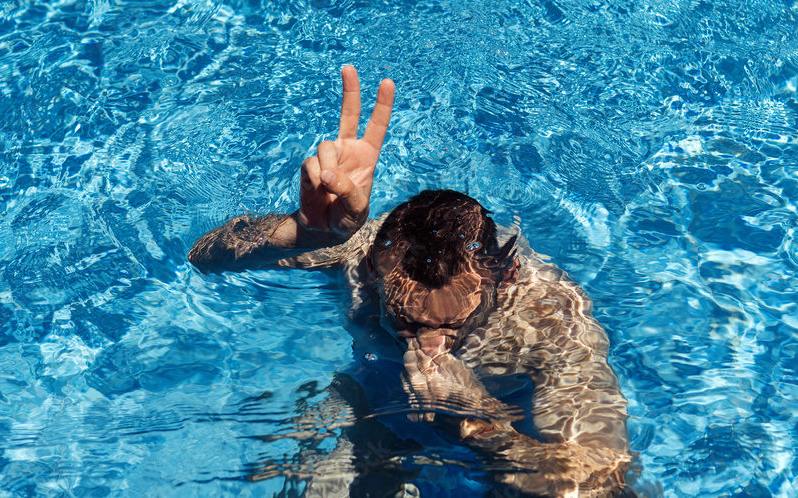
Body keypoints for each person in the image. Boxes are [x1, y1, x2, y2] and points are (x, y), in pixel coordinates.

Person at [188, 66, 633, 497]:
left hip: (503, 415)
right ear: (371, 271)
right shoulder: (353, 251)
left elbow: (601, 483)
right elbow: (204, 257)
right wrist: (296, 235)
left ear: (506, 278)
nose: (429, 348)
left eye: (454, 327)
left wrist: (479, 419)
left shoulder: (550, 317)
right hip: (377, 393)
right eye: (407, 322)